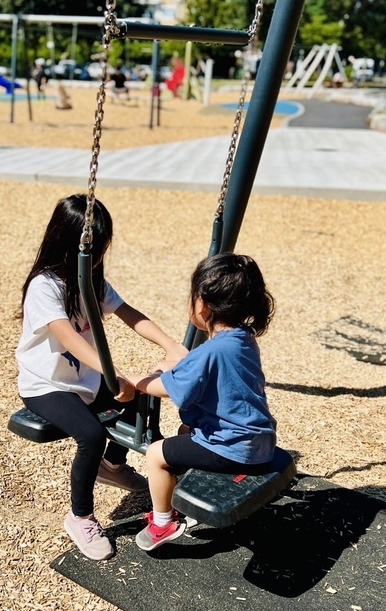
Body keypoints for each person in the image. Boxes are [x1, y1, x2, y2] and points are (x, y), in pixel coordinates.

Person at [16, 194, 188, 561]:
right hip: (46, 385)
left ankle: (112, 465)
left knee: (142, 396)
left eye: (101, 250)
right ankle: (79, 517)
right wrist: (114, 377)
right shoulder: (45, 286)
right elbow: (67, 337)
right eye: (93, 251)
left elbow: (130, 314)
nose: (97, 260)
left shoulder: (93, 282)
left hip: (85, 382)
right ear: (67, 244)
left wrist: (171, 345)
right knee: (90, 434)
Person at [132, 253, 277, 551]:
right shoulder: (243, 338)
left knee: (157, 454)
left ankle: (163, 523)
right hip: (261, 440)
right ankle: (186, 497)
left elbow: (172, 390)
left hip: (234, 448)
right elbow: (209, 378)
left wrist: (137, 381)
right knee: (186, 432)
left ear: (202, 305)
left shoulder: (209, 353)